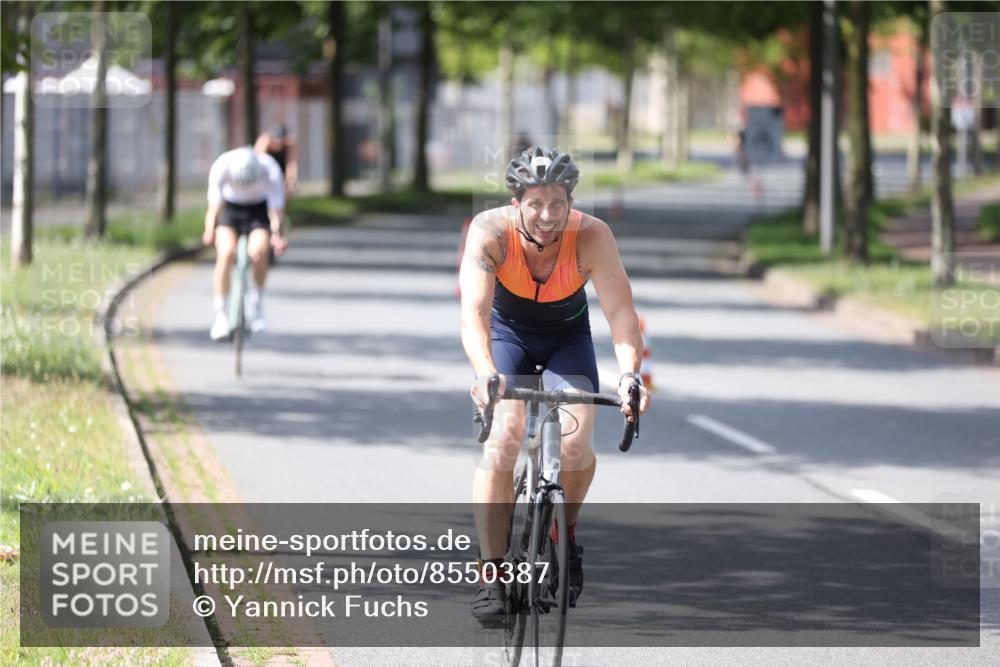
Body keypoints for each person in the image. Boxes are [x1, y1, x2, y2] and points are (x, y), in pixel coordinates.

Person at [458, 146, 651, 625]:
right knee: (504, 439)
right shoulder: (490, 233)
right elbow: (474, 314)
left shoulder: (593, 236)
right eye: (535, 204)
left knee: (575, 441)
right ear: (515, 202)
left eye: (557, 204)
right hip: (507, 337)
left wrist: (629, 374)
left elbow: (621, 314)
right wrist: (484, 371)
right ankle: (491, 573)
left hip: (568, 338)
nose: (547, 216)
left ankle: (562, 535)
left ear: (571, 202)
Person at [202, 146, 288, 340]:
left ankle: (257, 304)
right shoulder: (221, 166)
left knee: (259, 252)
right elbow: (214, 207)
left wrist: (278, 234)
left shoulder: (270, 169)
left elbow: (276, 210)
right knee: (225, 253)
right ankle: (220, 314)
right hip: (230, 209)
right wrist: (209, 230)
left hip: (258, 210)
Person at [254, 125, 298, 193]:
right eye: (276, 142)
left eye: (281, 142)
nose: (278, 145)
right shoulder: (264, 141)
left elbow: (291, 164)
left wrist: (291, 181)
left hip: (280, 166)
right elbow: (258, 161)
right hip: (266, 167)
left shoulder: (288, 144)